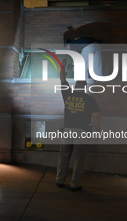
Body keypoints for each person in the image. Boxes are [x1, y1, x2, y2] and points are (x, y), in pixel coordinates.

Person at [56, 59, 101, 191]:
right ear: (85, 87)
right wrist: (98, 131)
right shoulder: (89, 99)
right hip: (81, 131)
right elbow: (97, 117)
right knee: (78, 158)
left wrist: (62, 66)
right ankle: (74, 184)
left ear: (75, 86)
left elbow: (62, 79)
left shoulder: (68, 94)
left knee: (64, 156)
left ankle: (60, 180)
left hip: (67, 130)